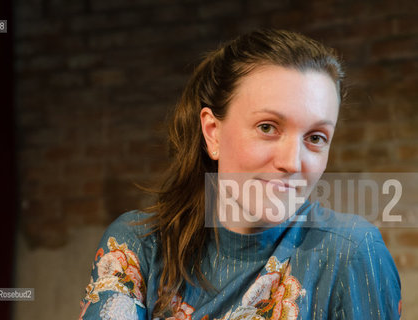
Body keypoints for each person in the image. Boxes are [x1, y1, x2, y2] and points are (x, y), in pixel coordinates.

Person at [78, 29, 402, 320]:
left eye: (315, 137)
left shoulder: (351, 252)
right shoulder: (138, 245)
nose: (292, 162)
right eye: (267, 128)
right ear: (212, 133)